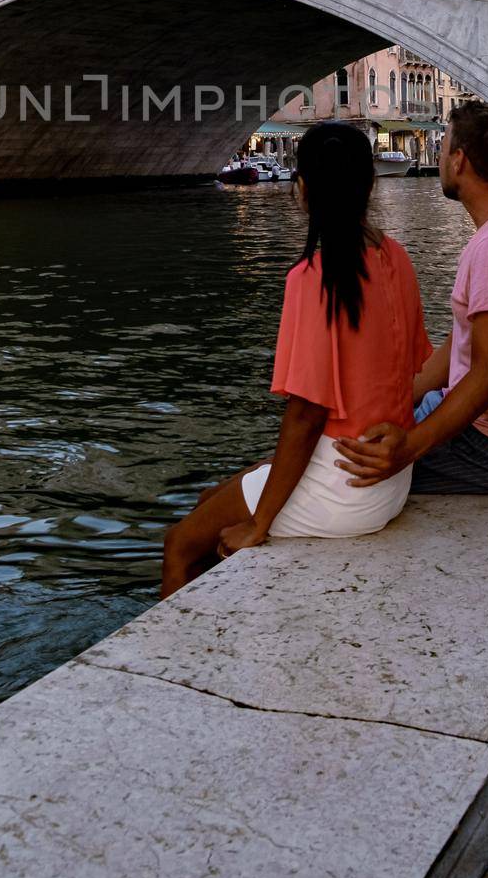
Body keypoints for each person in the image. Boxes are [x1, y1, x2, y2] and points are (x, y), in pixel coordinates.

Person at [161, 121, 431, 598]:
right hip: (388, 480)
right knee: (211, 501)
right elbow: (411, 370)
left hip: (342, 489)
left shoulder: (312, 278)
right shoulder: (397, 257)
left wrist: (259, 525)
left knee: (181, 543)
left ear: (301, 189)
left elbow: (306, 415)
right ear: (370, 184)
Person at [334, 101, 488, 496]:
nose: (442, 156)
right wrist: (393, 400)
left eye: (444, 146)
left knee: (337, 476)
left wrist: (408, 449)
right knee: (341, 439)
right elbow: (463, 344)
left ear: (459, 160)